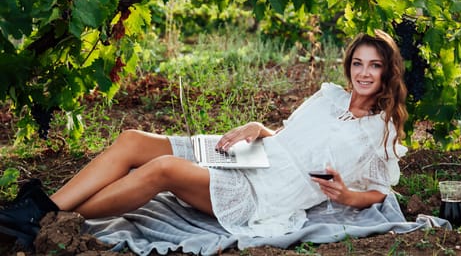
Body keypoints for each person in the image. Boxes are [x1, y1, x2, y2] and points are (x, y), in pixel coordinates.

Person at [0, 29, 408, 248]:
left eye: (374, 65)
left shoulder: (380, 130)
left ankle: (51, 220)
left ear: (387, 71)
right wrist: (261, 129)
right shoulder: (328, 96)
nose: (364, 73)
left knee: (162, 169)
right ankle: (41, 210)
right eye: (357, 63)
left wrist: (345, 197)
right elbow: (291, 135)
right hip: (256, 153)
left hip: (269, 193)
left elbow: (378, 191)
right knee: (132, 139)